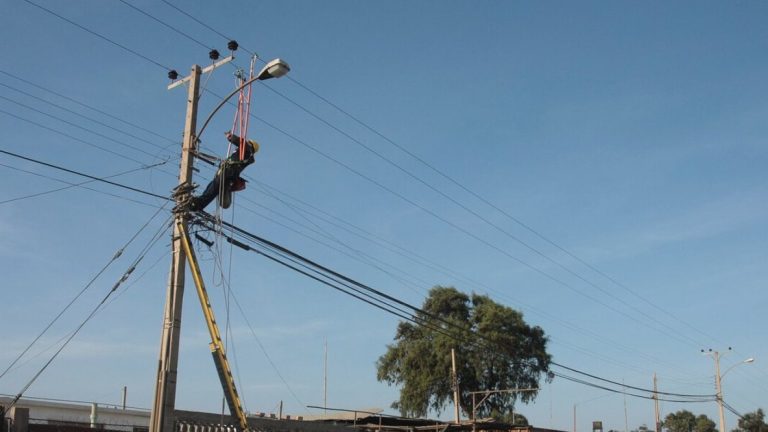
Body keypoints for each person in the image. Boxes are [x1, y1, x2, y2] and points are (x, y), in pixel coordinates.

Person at [188, 131, 259, 211]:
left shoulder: (247, 150)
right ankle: (198, 204)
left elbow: (243, 143)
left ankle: (197, 204)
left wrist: (231, 137)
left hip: (228, 173)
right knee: (211, 188)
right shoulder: (244, 154)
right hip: (227, 173)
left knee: (213, 189)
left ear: (251, 145)